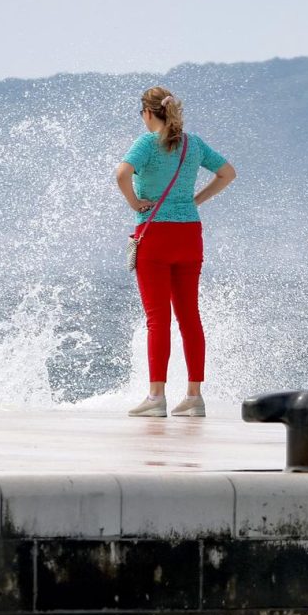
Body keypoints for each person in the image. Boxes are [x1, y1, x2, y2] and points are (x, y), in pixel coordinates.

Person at [115, 87, 236, 417]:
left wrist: (135, 203)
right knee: (190, 317)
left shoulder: (146, 144)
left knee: (158, 320)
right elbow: (228, 173)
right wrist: (196, 200)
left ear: (148, 113)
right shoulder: (192, 144)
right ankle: (194, 397)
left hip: (155, 234)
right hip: (189, 235)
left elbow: (122, 173)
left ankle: (156, 397)